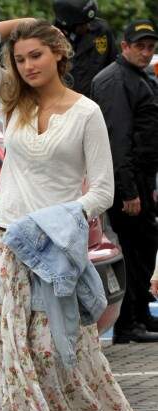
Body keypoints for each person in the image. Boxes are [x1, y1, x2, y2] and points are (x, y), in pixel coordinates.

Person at [0, 18, 158, 411]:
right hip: (5, 240)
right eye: (20, 58)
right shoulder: (13, 102)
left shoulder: (86, 112)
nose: (27, 65)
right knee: (6, 351)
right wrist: (25, 24)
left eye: (36, 55)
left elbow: (103, 191)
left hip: (55, 246)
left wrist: (60, 219)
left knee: (53, 351)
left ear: (59, 56)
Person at [91, 20, 158, 344]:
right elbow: (118, 140)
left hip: (141, 179)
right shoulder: (115, 81)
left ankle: (142, 315)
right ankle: (129, 323)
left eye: (150, 46)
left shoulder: (136, 77)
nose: (146, 52)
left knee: (145, 248)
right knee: (132, 251)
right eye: (140, 46)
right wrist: (129, 191)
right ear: (124, 46)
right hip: (125, 184)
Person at [52, 0, 118, 97]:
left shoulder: (101, 31)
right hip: (67, 102)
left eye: (89, 21)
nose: (87, 26)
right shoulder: (52, 39)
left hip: (100, 98)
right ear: (67, 24)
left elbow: (114, 66)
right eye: (82, 24)